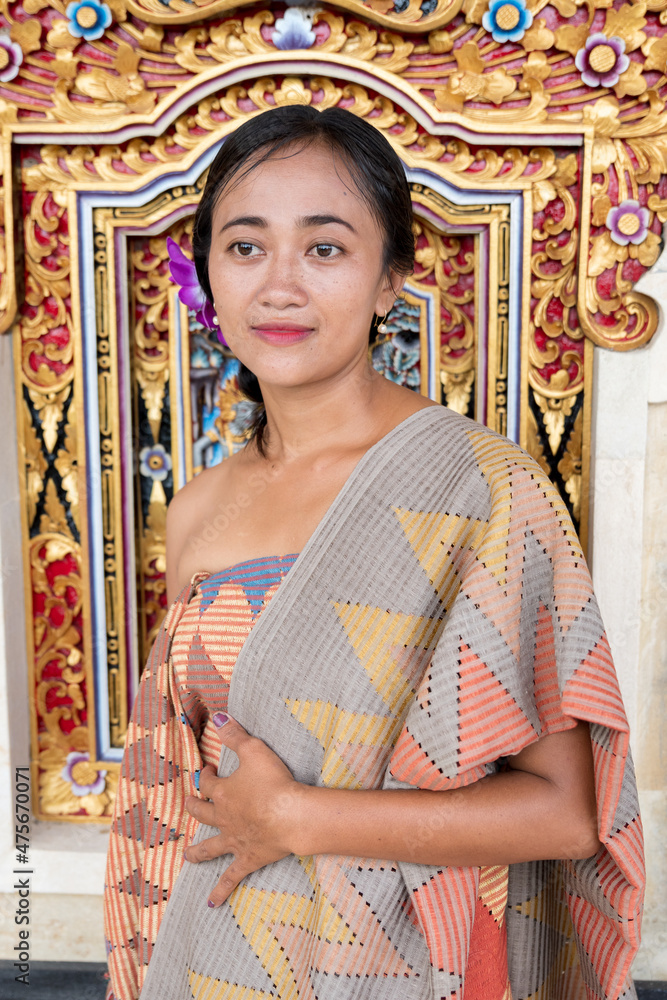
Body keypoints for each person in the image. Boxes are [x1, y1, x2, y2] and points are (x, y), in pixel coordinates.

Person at [104, 105, 643, 1000]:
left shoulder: (477, 490)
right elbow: (176, 797)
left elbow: (565, 814)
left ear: (391, 278)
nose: (279, 286)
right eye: (245, 248)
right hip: (221, 957)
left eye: (324, 249)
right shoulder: (197, 512)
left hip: (409, 964)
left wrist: (296, 817)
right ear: (207, 276)